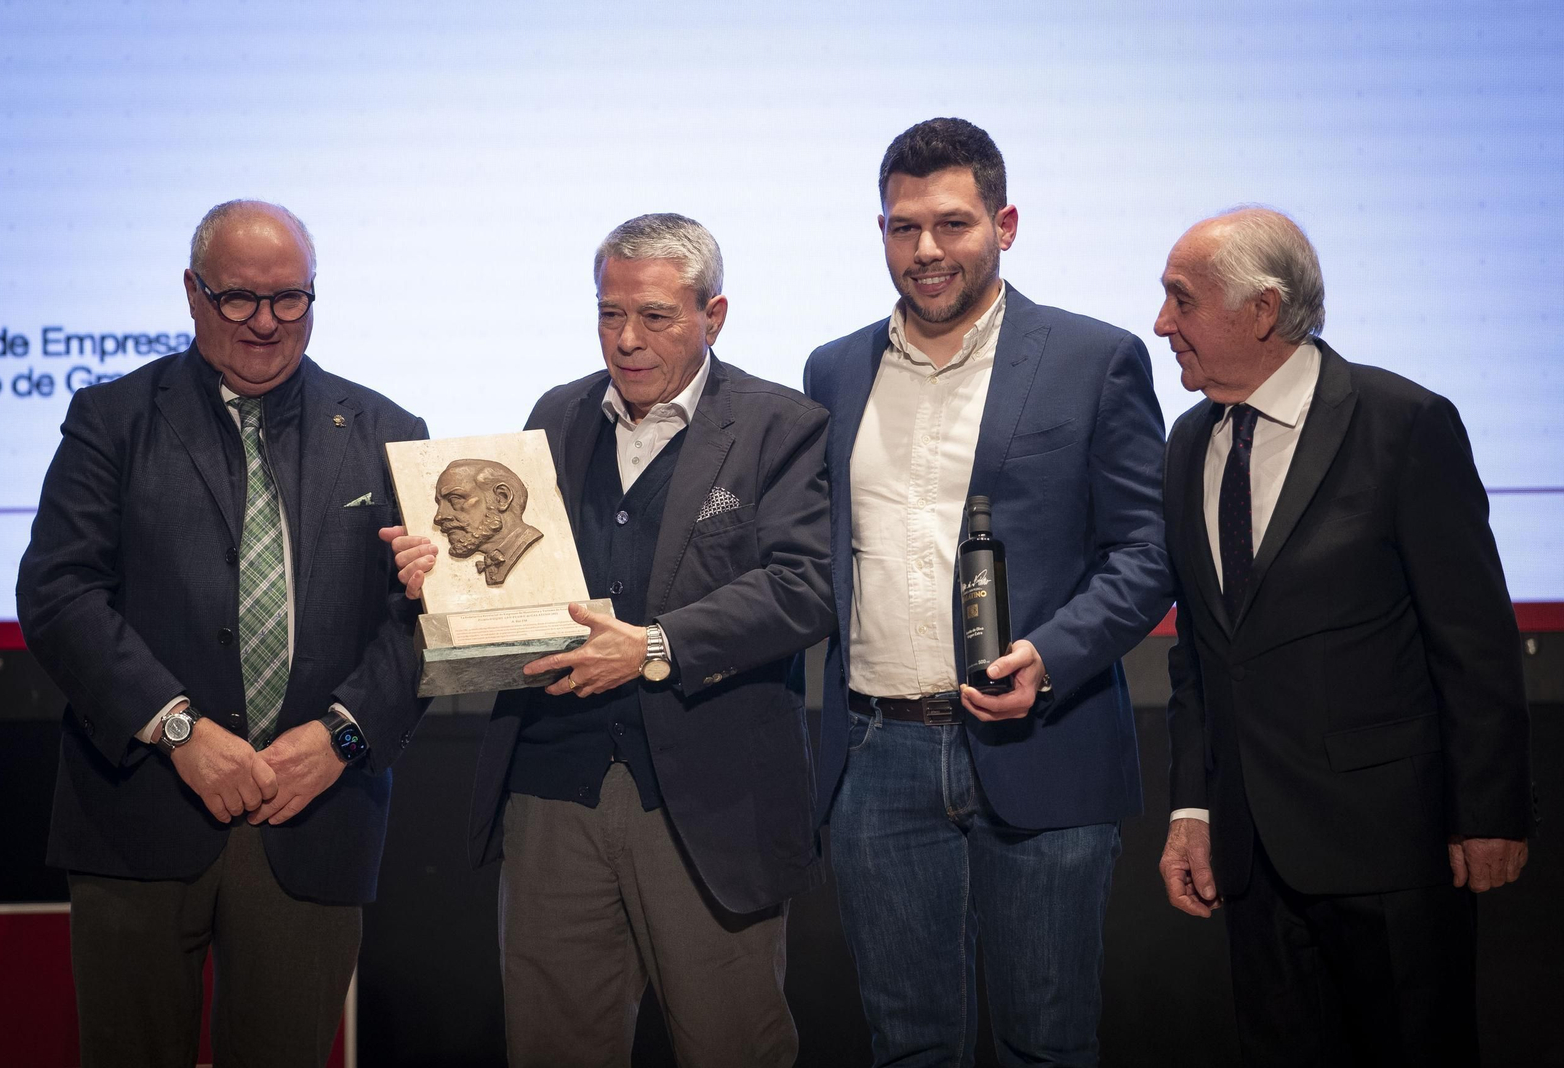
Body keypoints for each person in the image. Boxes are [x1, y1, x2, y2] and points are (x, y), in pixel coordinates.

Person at [387, 213, 834, 1067]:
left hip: (707, 805)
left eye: (656, 316)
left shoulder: (782, 425)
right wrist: (438, 573)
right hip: (553, 790)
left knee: (733, 1047)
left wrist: (656, 643)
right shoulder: (555, 417)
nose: (627, 340)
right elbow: (517, 583)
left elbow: (805, 587)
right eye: (609, 314)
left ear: (715, 314)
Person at [17, 199, 429, 1068]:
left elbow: (418, 624)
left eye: (291, 299)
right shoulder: (113, 419)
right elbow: (58, 591)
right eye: (239, 298)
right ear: (192, 293)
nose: (267, 323)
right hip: (139, 813)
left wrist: (342, 737)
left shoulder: (392, 434)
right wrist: (176, 728)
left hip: (312, 817)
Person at [802, 118, 1173, 1067]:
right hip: (876, 751)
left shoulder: (1096, 358)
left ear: (1005, 224)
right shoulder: (834, 371)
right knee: (907, 1046)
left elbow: (1147, 549)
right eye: (902, 227)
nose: (926, 250)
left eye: (953, 223)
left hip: (1044, 742)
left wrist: (1051, 656)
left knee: (1047, 1046)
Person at [1153, 206, 1533, 1066]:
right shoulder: (1187, 444)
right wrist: (1192, 807)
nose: (1162, 323)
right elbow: (1201, 660)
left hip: (1390, 850)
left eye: (1182, 300)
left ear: (1261, 310)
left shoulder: (1403, 424)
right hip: (1252, 863)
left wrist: (1491, 811)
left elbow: (1472, 639)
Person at [433, 457, 544, 585]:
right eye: (439, 504)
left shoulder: (543, 555)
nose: (439, 516)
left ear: (502, 498)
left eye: (454, 499)